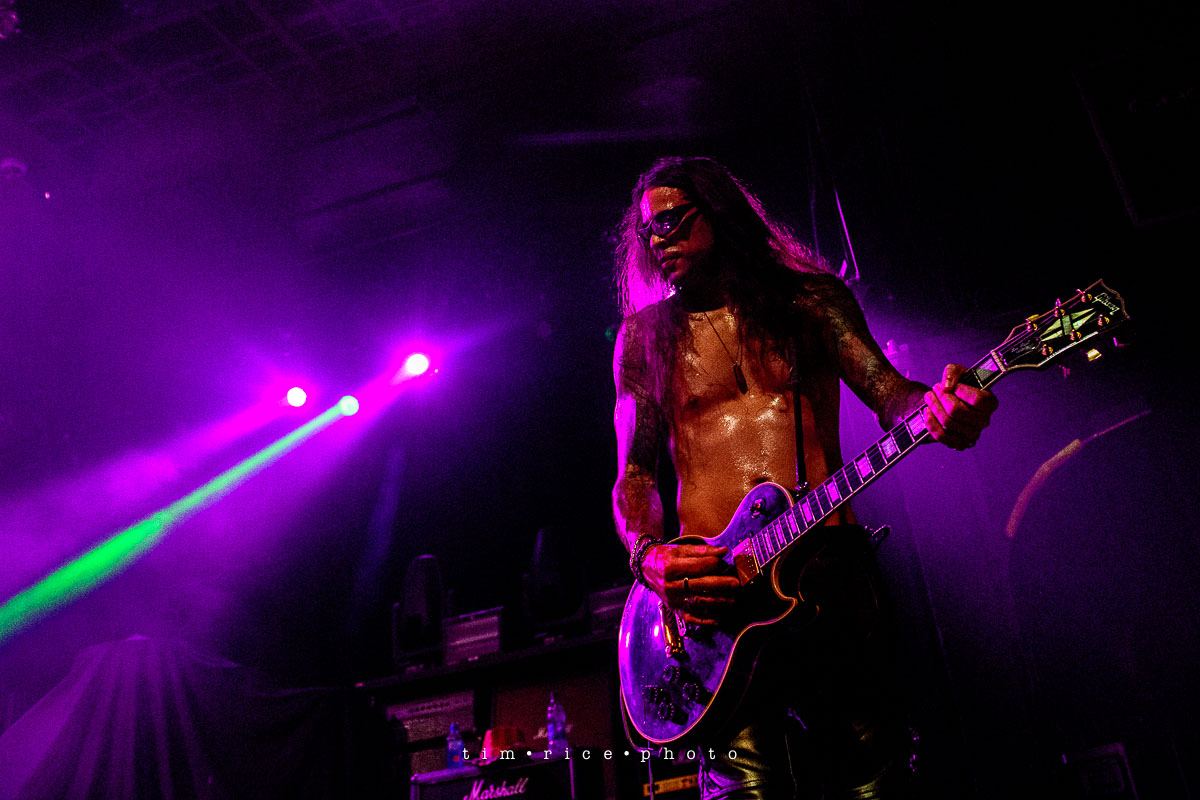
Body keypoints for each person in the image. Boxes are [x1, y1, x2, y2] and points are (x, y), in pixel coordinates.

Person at [611, 156, 998, 799]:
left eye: (671, 221)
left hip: (829, 578)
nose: (657, 240)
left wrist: (939, 408)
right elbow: (635, 476)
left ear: (717, 211)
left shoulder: (810, 301)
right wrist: (647, 555)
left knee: (874, 783)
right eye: (647, 231)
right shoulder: (644, 338)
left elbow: (891, 394)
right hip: (717, 610)